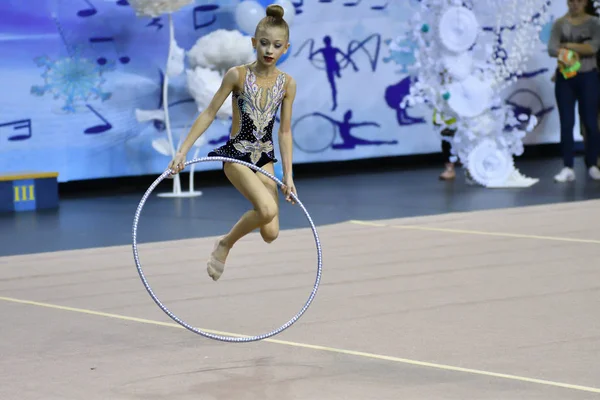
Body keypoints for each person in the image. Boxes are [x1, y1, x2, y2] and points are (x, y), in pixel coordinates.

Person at [168, 4, 297, 281]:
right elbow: (209, 113)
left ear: (286, 48)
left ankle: (233, 235)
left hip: (265, 160)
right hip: (237, 154)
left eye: (276, 45)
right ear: (253, 43)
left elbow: (285, 132)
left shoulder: (287, 84)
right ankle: (224, 244)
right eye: (263, 44)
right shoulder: (237, 75)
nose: (269, 51)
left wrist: (288, 175)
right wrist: (182, 151)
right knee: (267, 209)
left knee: (270, 232)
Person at [548, 0, 600, 182]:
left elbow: (593, 47)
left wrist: (568, 46)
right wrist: (576, 50)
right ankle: (568, 166)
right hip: (565, 78)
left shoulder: (594, 23)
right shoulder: (560, 23)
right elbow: (552, 48)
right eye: (571, 1)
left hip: (588, 77)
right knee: (566, 123)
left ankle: (592, 163)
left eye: (579, 1)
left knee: (591, 123)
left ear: (585, 2)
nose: (575, 4)